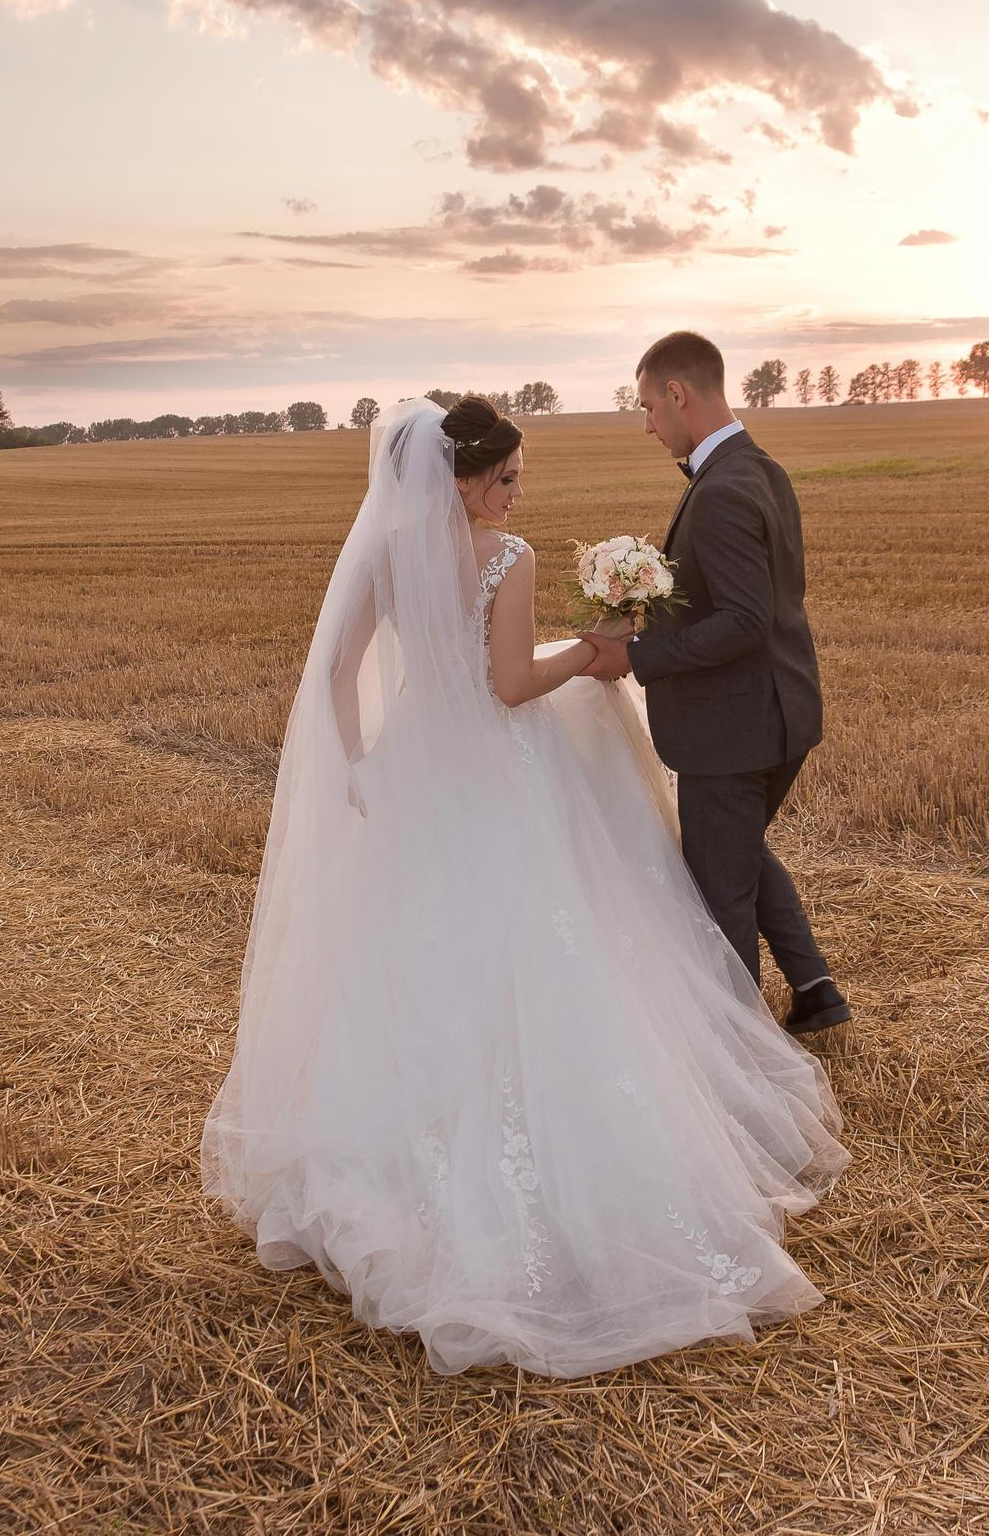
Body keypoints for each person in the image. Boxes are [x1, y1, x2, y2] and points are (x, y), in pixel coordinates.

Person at [201, 394, 847, 1377]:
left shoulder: (383, 554)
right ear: (463, 480)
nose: (514, 492)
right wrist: (591, 652)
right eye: (504, 477)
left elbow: (338, 670)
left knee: (407, 955)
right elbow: (508, 685)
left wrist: (361, 763)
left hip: (416, 765)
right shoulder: (510, 557)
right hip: (497, 772)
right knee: (542, 943)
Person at [580, 331, 852, 1035]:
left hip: (734, 731)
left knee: (719, 891)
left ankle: (744, 1055)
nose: (647, 425)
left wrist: (638, 656)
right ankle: (816, 989)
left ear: (678, 394)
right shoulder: (760, 469)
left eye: (648, 406)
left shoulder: (723, 489)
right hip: (779, 714)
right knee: (738, 849)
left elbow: (745, 619)